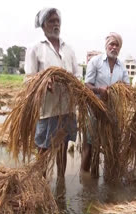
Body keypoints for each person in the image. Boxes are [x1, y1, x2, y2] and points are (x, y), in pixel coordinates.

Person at [25, 8, 81, 177]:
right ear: (43, 25)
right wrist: (43, 80)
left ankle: (61, 183)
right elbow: (28, 78)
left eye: (58, 20)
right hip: (46, 109)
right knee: (43, 147)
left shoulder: (69, 49)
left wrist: (73, 83)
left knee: (63, 146)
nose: (56, 24)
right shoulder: (35, 48)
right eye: (51, 21)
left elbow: (77, 76)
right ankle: (40, 185)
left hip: (67, 108)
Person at [80, 32, 130, 173]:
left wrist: (121, 89)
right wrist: (98, 89)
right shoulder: (95, 62)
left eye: (117, 45)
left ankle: (109, 177)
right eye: (111, 44)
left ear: (119, 48)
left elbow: (127, 86)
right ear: (106, 46)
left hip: (113, 111)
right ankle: (85, 178)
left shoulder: (122, 67)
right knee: (90, 145)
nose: (114, 47)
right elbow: (86, 85)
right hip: (94, 110)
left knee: (112, 144)